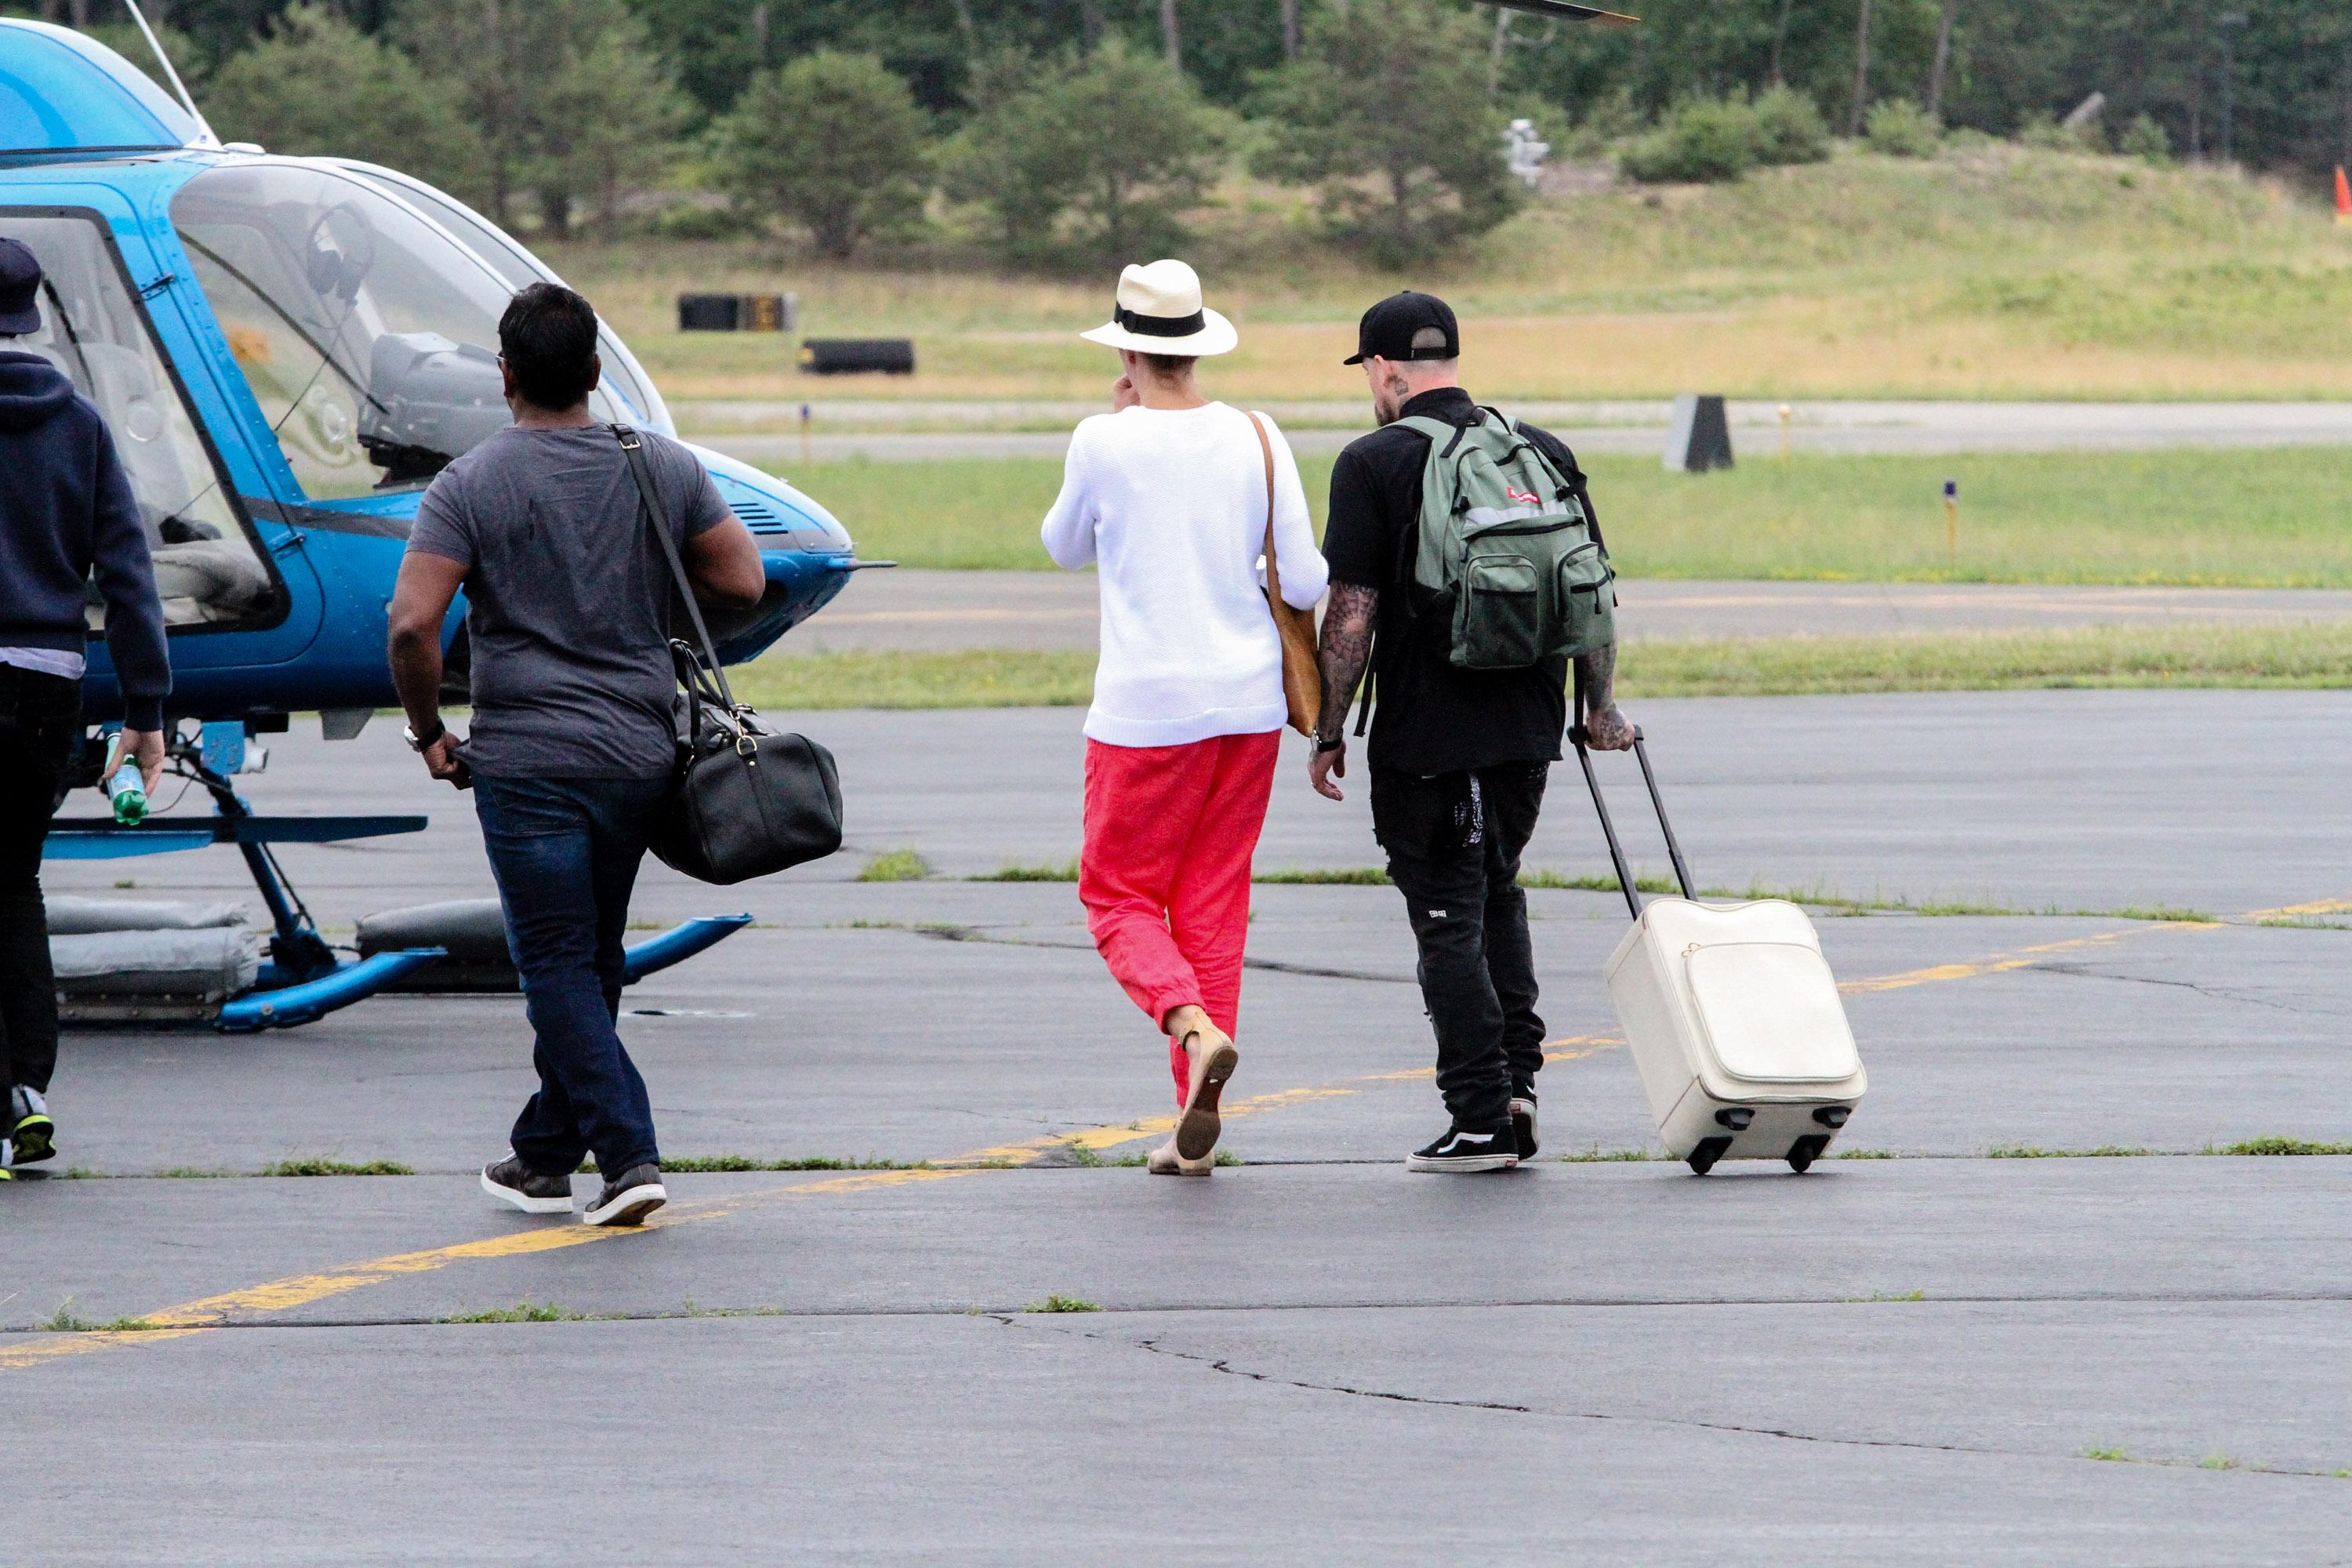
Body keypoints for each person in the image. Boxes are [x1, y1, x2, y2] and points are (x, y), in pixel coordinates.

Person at [387, 281, 765, 1226]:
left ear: (505, 377)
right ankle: (543, 1155)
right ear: (596, 373)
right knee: (593, 955)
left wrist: (430, 729)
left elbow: (410, 624)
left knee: (554, 961)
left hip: (527, 761)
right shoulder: (660, 466)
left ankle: (629, 1154)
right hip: (639, 749)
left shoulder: (468, 484)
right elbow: (745, 580)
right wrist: (652, 616)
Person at [1309, 291, 1635, 1174]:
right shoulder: (1538, 449)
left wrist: (1328, 728)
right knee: (1498, 890)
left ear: (1383, 369)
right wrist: (1598, 709)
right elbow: (1592, 591)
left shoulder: (1371, 463)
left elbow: (1351, 615)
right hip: (1527, 728)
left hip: (1427, 738)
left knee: (1448, 913)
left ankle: (1481, 1115)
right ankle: (1519, 1087)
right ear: (1450, 358)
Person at [1042, 259, 1328, 1176]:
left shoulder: (1102, 437)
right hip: (1245, 702)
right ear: (1199, 345)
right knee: (1211, 899)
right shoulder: (1257, 433)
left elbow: (1061, 547)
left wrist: (1117, 424)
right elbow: (1309, 577)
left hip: (1144, 709)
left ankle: (1186, 1020)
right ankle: (1190, 1120)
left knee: (1118, 893)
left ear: (1128, 348)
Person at [0, 236, 168, 1180]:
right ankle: (31, 1086)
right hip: (45, 687)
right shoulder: (82, 426)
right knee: (14, 881)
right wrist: (145, 707)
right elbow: (131, 577)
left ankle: (5, 1098)